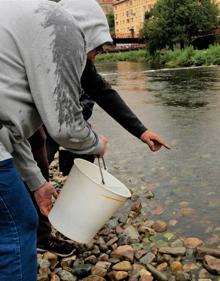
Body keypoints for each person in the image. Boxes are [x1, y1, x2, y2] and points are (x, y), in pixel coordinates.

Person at [27, 0, 171, 258]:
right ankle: (35, 236)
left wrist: (142, 131)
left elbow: (104, 92)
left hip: (67, 122)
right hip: (31, 128)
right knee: (35, 173)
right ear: (75, 33)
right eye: (96, 48)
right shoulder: (40, 50)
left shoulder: (78, 62)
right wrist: (92, 142)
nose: (97, 55)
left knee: (46, 173)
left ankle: (49, 224)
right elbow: (59, 123)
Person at [0, 0, 113, 280]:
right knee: (18, 225)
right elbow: (64, 127)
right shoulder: (63, 27)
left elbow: (10, 129)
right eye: (97, 49)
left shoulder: (23, 32)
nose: (93, 58)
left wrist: (38, 184)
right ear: (87, 31)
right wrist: (97, 144)